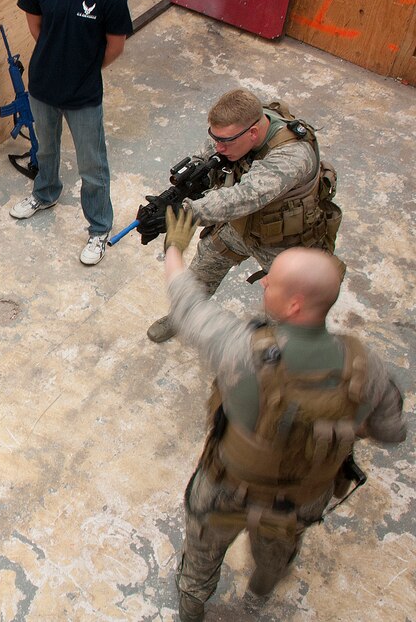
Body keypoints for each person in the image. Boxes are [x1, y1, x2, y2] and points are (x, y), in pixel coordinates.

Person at [161, 209, 406, 621]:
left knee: (202, 549)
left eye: (271, 281)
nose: (265, 282)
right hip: (301, 498)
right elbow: (392, 430)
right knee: (275, 555)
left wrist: (174, 249)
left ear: (293, 304)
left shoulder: (240, 347)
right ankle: (256, 600)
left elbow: (187, 308)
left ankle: (191, 603)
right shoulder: (367, 365)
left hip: (227, 486)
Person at [146, 88, 337, 343]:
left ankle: (270, 351)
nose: (218, 146)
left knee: (283, 307)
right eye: (214, 138)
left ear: (253, 133)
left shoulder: (292, 155)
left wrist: (184, 214)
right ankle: (182, 315)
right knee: (202, 271)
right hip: (240, 227)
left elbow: (245, 196)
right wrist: (174, 194)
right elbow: (206, 159)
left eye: (225, 142)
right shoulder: (231, 132)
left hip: (284, 242)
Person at [9, 0, 133, 266]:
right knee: (45, 149)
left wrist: (85, 67)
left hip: (84, 95)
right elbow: (36, 24)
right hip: (43, 87)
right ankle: (45, 193)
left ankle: (98, 228)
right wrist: (54, 54)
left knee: (92, 166)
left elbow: (115, 45)